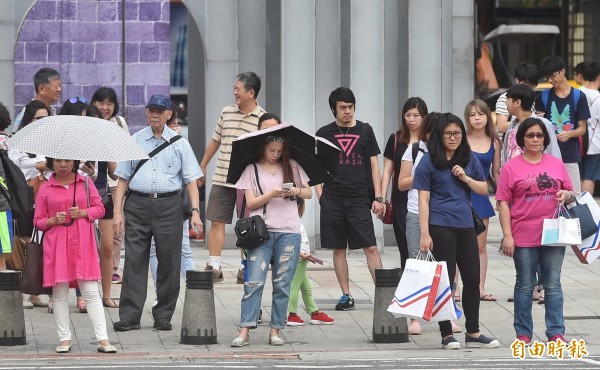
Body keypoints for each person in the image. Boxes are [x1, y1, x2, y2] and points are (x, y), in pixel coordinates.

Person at [112, 95, 203, 332]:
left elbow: (191, 181)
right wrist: (118, 212)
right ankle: (130, 316)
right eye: (151, 109)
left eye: (160, 111)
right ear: (145, 112)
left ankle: (163, 314)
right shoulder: (135, 140)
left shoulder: (180, 143)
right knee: (134, 260)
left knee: (170, 261)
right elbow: (122, 179)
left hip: (169, 206)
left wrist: (195, 212)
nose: (155, 114)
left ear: (169, 114)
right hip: (138, 205)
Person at [413, 113, 499, 350]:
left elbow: (483, 189)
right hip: (440, 226)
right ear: (439, 136)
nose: (453, 138)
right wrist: (424, 233)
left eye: (458, 133)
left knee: (472, 278)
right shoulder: (428, 161)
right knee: (446, 280)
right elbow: (423, 200)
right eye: (448, 133)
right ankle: (446, 334)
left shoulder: (468, 158)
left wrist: (466, 178)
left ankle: (473, 331)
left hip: (466, 226)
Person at [496, 118, 575, 345]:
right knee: (524, 283)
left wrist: (566, 195)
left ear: (545, 139)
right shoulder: (511, 167)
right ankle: (523, 333)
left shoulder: (556, 164)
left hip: (553, 233)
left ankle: (556, 333)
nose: (535, 139)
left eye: (539, 136)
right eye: (530, 135)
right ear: (521, 139)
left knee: (552, 284)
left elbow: (571, 192)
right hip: (523, 233)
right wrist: (507, 235)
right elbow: (502, 203)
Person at [230, 132, 312, 347]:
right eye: (271, 150)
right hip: (262, 233)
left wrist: (295, 190)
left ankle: (275, 330)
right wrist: (271, 194)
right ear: (263, 148)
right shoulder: (251, 169)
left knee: (282, 284)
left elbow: (309, 193)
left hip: (289, 231)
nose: (275, 154)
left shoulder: (292, 166)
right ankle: (245, 330)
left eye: (279, 151)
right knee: (254, 282)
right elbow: (251, 202)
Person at [33, 158, 116, 354]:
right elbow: (37, 221)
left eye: (67, 161)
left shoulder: (86, 183)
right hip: (57, 247)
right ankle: (64, 339)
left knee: (91, 292)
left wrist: (83, 212)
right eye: (58, 161)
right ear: (51, 163)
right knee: (60, 294)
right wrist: (52, 220)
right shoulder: (46, 188)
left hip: (83, 245)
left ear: (74, 163)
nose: (63, 165)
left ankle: (103, 339)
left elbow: (100, 209)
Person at [315, 87, 384, 311]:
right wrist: (321, 196)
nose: (347, 111)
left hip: (359, 198)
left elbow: (374, 164)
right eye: (343, 107)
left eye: (350, 107)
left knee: (371, 247)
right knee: (338, 249)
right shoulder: (324, 133)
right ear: (334, 109)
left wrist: (379, 196)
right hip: (333, 198)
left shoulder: (365, 130)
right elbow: (315, 167)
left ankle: (383, 294)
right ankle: (346, 295)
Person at [399, 112, 462, 335]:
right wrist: (425, 174)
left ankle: (447, 312)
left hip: (444, 215)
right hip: (417, 212)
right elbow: (402, 183)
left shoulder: (453, 153)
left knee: (447, 266)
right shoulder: (415, 150)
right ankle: (414, 317)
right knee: (418, 263)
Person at [199, 72, 265, 282]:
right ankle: (214, 266)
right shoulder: (226, 112)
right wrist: (202, 166)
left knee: (247, 225)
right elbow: (215, 141)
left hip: (247, 182)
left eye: (238, 88)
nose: (234, 92)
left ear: (251, 92)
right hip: (221, 178)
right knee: (216, 221)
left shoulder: (262, 119)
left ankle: (244, 266)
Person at [149, 103, 196, 299]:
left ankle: (195, 292)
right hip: (151, 203)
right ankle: (161, 294)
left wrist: (196, 211)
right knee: (154, 249)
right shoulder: (144, 138)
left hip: (175, 203)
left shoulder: (179, 141)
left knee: (184, 248)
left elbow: (190, 175)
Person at [8, 100, 51, 309]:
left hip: (47, 194)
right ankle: (23, 290)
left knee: (42, 242)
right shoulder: (18, 141)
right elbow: (14, 166)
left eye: (45, 118)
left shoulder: (52, 141)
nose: (42, 122)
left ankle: (35, 291)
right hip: (26, 194)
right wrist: (38, 165)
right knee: (25, 240)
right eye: (38, 118)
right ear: (29, 120)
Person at [380, 97, 427, 270]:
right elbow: (387, 170)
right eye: (407, 115)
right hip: (401, 200)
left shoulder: (429, 140)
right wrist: (381, 198)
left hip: (426, 199)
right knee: (405, 249)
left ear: (424, 116)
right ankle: (408, 287)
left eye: (416, 115)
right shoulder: (396, 139)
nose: (411, 119)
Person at [236, 113, 282, 284]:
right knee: (252, 255)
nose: (269, 135)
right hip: (253, 212)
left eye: (274, 130)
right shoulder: (249, 157)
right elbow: (245, 205)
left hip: (280, 219)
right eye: (265, 130)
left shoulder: (283, 157)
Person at [534, 55, 591, 193]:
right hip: (547, 155)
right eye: (548, 77)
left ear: (563, 71)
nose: (550, 80)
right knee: (549, 196)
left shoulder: (579, 96)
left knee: (574, 196)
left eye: (553, 76)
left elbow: (582, 128)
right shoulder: (543, 97)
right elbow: (538, 126)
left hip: (570, 155)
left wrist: (570, 134)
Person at [91, 87, 129, 284]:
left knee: (116, 228)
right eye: (101, 103)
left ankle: (112, 268)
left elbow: (126, 150)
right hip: (93, 181)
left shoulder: (119, 122)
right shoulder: (89, 123)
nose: (105, 107)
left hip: (116, 181)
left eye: (109, 104)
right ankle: (95, 265)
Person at [465, 100, 501, 302]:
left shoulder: (494, 142)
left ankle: (480, 287)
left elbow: (495, 173)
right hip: (462, 195)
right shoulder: (462, 139)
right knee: (459, 245)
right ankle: (457, 289)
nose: (477, 118)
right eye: (472, 114)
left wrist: (502, 197)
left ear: (488, 116)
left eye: (480, 114)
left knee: (480, 246)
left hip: (481, 197)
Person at [85, 103, 119, 309]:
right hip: (81, 200)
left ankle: (106, 294)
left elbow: (114, 174)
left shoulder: (104, 142)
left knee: (106, 248)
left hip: (103, 197)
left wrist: (108, 156)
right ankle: (84, 295)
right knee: (84, 249)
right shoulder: (76, 146)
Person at [286, 197, 334, 327]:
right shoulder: (293, 223)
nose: (305, 208)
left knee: (306, 287)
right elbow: (292, 243)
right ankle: (292, 314)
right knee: (294, 286)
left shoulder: (292, 221)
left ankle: (314, 312)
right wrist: (303, 255)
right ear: (297, 207)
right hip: (300, 259)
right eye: (304, 205)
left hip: (302, 259)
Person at [12, 67, 61, 134]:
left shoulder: (54, 112)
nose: (59, 89)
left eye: (60, 86)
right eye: (56, 86)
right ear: (41, 89)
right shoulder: (26, 113)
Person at [495, 62, 539, 134]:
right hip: (508, 142)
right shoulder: (506, 98)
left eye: (532, 86)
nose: (529, 89)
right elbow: (501, 127)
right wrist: (530, 121)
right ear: (517, 80)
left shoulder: (531, 99)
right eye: (526, 84)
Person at [578, 62, 600, 194]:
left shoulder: (576, 92)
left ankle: (577, 207)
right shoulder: (598, 98)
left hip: (577, 140)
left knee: (578, 175)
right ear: (598, 77)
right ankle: (586, 208)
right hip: (594, 143)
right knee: (589, 177)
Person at [0, 103, 14, 272]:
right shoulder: (9, 142)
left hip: (1, 207)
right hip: (3, 207)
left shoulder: (3, 143)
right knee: (1, 257)